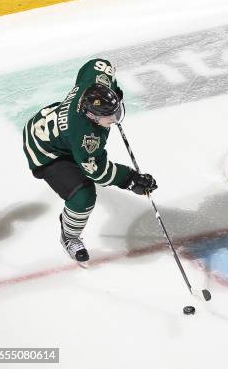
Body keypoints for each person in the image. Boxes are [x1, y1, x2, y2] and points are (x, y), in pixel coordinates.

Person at [23, 58, 157, 266]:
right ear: (92, 116)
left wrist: (112, 90)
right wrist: (130, 179)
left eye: (116, 111)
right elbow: (99, 173)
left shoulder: (94, 85)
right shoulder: (87, 138)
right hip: (46, 152)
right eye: (109, 117)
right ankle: (70, 236)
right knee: (84, 197)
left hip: (53, 130)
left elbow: (97, 64)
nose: (115, 118)